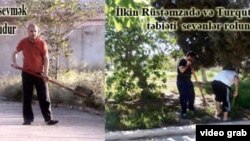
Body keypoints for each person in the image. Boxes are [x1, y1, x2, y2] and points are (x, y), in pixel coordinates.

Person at [12, 23, 58, 125]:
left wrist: (45, 73)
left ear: (38, 32)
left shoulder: (42, 43)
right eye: (31, 31)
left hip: (39, 74)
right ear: (27, 32)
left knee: (44, 97)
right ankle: (28, 119)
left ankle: (48, 119)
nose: (33, 33)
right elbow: (14, 53)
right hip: (27, 73)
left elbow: (46, 58)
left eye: (35, 31)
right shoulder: (23, 42)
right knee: (27, 97)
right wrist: (15, 63)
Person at [176, 51, 197, 118]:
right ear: (189, 56)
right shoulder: (182, 61)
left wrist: (192, 71)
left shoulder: (189, 63)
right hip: (181, 82)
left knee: (192, 95)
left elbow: (189, 71)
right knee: (184, 96)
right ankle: (183, 112)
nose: (193, 60)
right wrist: (187, 64)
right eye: (193, 58)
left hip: (188, 81)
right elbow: (182, 70)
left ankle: (190, 107)